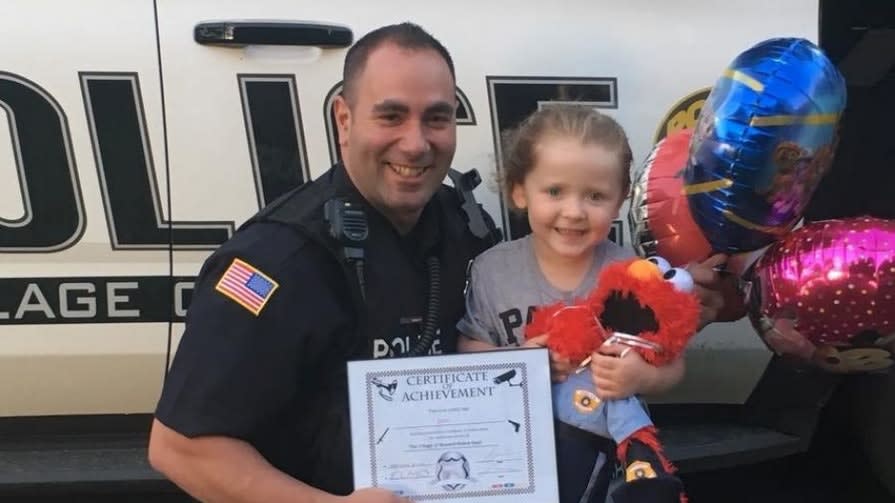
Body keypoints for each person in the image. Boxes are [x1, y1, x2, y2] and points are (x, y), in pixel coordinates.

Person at [148, 22, 498, 503]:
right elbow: (179, 447)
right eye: (391, 116)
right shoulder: (278, 260)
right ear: (344, 119)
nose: (416, 143)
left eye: (437, 119)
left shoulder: (465, 230)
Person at [456, 105, 710, 503]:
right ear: (519, 191)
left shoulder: (631, 273)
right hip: (514, 452)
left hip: (608, 458)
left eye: (595, 195)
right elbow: (467, 349)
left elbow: (673, 362)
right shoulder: (493, 270)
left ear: (620, 199)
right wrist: (520, 362)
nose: (573, 212)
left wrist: (640, 378)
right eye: (554, 191)